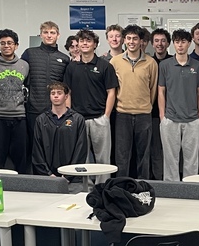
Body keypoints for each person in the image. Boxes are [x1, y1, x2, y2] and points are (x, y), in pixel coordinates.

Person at [64, 29, 117, 176]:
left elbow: (111, 92)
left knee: (103, 159)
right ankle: (85, 190)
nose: (85, 43)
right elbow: (68, 92)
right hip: (78, 119)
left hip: (99, 118)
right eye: (82, 41)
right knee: (82, 159)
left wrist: (106, 116)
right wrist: (70, 114)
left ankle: (103, 188)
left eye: (88, 41)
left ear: (95, 44)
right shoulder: (72, 67)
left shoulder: (105, 66)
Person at [110, 25, 158, 179]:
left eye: (135, 38)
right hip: (122, 114)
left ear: (141, 41)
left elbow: (153, 90)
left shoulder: (151, 63)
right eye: (129, 38)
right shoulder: (115, 62)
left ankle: (142, 188)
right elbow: (113, 88)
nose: (131, 42)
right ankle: (121, 188)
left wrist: (145, 106)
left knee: (143, 156)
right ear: (124, 40)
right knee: (122, 156)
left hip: (143, 115)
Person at [157, 28, 199, 182]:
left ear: (189, 43)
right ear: (173, 44)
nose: (180, 45)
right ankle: (172, 191)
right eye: (177, 42)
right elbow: (161, 92)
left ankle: (190, 190)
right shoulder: (164, 65)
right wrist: (162, 116)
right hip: (170, 119)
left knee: (191, 160)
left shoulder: (197, 66)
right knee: (170, 160)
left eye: (183, 42)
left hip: (192, 120)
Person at [0, 29, 29, 172]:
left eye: (10, 43)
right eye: (2, 43)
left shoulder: (24, 65)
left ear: (16, 45)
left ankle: (22, 188)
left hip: (19, 117)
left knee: (21, 157)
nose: (6, 46)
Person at [21, 21, 68, 147]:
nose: (49, 35)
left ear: (58, 35)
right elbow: (18, 72)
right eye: (45, 32)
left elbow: (66, 87)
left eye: (52, 32)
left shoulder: (64, 58)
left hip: (55, 110)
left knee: (55, 145)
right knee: (34, 146)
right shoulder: (29, 53)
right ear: (40, 35)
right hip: (33, 109)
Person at [30, 81, 88, 180]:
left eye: (59, 93)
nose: (56, 96)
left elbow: (80, 150)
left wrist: (69, 175)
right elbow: (37, 151)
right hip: (47, 179)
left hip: (72, 180)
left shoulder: (77, 119)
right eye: (53, 93)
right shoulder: (41, 120)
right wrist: (47, 175)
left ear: (66, 96)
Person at [148, 28, 171, 180]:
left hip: (170, 114)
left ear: (168, 43)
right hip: (150, 113)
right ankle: (155, 181)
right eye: (156, 41)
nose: (160, 44)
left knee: (168, 151)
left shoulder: (173, 62)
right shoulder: (148, 62)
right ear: (152, 43)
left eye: (163, 41)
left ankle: (166, 181)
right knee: (154, 150)